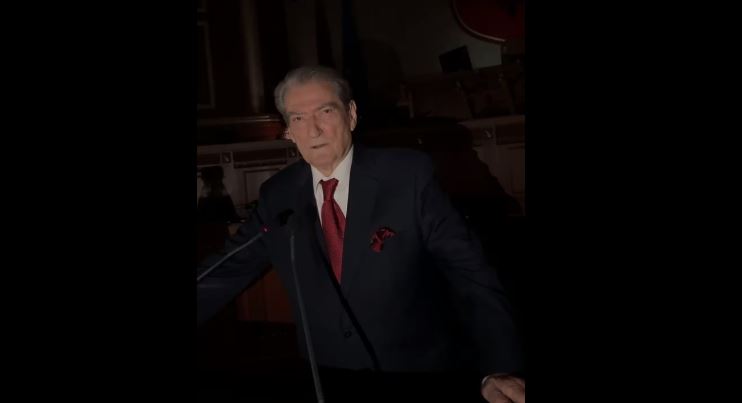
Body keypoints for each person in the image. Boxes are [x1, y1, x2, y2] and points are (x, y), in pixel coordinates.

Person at [197, 65, 525, 403]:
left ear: (351, 114)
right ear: (289, 132)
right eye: (298, 118)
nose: (313, 130)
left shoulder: (407, 176)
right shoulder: (278, 194)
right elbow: (227, 269)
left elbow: (470, 274)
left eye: (325, 112)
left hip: (418, 375)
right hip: (325, 378)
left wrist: (500, 365)